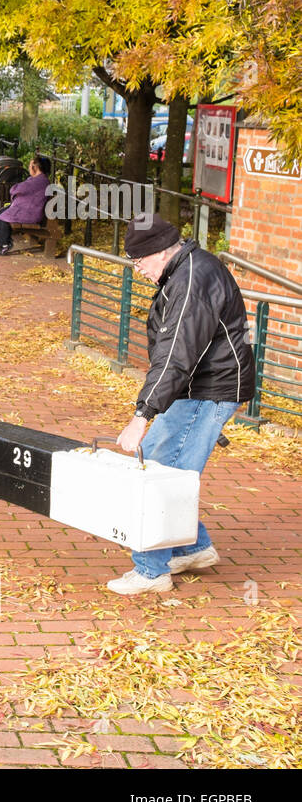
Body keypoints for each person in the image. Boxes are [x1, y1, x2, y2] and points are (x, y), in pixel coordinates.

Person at [106, 213, 256, 595]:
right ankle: (193, 547)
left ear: (159, 252)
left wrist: (142, 415)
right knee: (171, 471)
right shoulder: (186, 270)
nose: (137, 269)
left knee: (158, 474)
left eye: (139, 261)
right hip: (201, 389)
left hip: (209, 391)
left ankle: (152, 570)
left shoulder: (190, 279)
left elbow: (176, 353)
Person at [0, 154, 52, 255]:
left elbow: (15, 189)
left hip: (31, 213)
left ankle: (5, 244)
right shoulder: (40, 179)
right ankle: (4, 241)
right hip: (29, 209)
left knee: (2, 218)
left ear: (36, 167)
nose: (29, 168)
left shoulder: (39, 181)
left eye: (30, 166)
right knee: (0, 214)